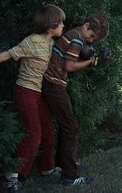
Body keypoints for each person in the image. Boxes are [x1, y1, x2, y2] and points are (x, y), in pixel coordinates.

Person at [0, 4, 66, 193]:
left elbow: (68, 56)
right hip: (25, 92)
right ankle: (11, 178)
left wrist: (90, 56)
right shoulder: (31, 42)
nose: (63, 26)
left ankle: (47, 169)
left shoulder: (52, 43)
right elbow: (7, 54)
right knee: (33, 135)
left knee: (49, 132)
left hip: (39, 93)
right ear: (51, 24)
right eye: (60, 23)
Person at [41, 12, 111, 186]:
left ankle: (62, 165)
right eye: (92, 36)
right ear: (86, 25)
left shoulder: (73, 34)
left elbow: (69, 56)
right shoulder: (78, 39)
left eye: (94, 40)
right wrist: (93, 62)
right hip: (53, 85)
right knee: (71, 127)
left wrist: (87, 55)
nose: (91, 41)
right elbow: (69, 66)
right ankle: (69, 176)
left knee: (66, 126)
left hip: (50, 83)